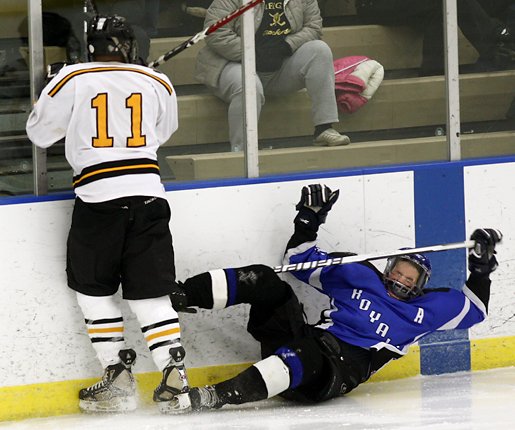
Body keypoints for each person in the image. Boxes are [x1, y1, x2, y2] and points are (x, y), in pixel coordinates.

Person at [167, 184, 502, 412]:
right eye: (399, 270)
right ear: (388, 268)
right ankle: (180, 295)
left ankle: (212, 396)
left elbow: (476, 308)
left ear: (420, 285)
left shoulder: (426, 311)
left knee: (303, 355)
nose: (401, 278)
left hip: (331, 373)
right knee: (264, 279)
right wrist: (309, 219)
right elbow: (298, 261)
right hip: (302, 340)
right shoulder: (360, 275)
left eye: (409, 277)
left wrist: (481, 268)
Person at [25, 15, 190, 414]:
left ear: (90, 46)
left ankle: (116, 378)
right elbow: (162, 133)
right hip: (149, 197)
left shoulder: (70, 77)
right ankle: (174, 376)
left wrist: (52, 97)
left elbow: (39, 134)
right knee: (151, 293)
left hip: (98, 201)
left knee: (94, 291)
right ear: (128, 46)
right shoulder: (157, 81)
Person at [195, 0, 351, 152]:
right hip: (233, 63)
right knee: (249, 85)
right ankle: (242, 151)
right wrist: (253, 53)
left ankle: (324, 128)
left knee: (320, 50)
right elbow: (215, 32)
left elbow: (313, 27)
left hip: (278, 66)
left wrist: (286, 46)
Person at [355, 0, 515, 76]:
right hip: (374, 4)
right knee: (446, 3)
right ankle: (495, 39)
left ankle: (434, 71)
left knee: (440, 11)